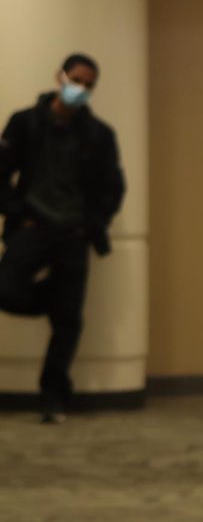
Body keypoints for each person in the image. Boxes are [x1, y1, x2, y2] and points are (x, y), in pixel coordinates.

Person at [0, 54, 125, 424]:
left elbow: (112, 188)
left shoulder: (100, 135)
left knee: (68, 323)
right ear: (60, 77)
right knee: (6, 290)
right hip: (33, 228)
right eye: (76, 80)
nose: (80, 89)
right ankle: (55, 300)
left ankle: (53, 396)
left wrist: (92, 224)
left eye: (88, 85)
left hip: (74, 233)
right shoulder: (25, 123)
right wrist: (18, 214)